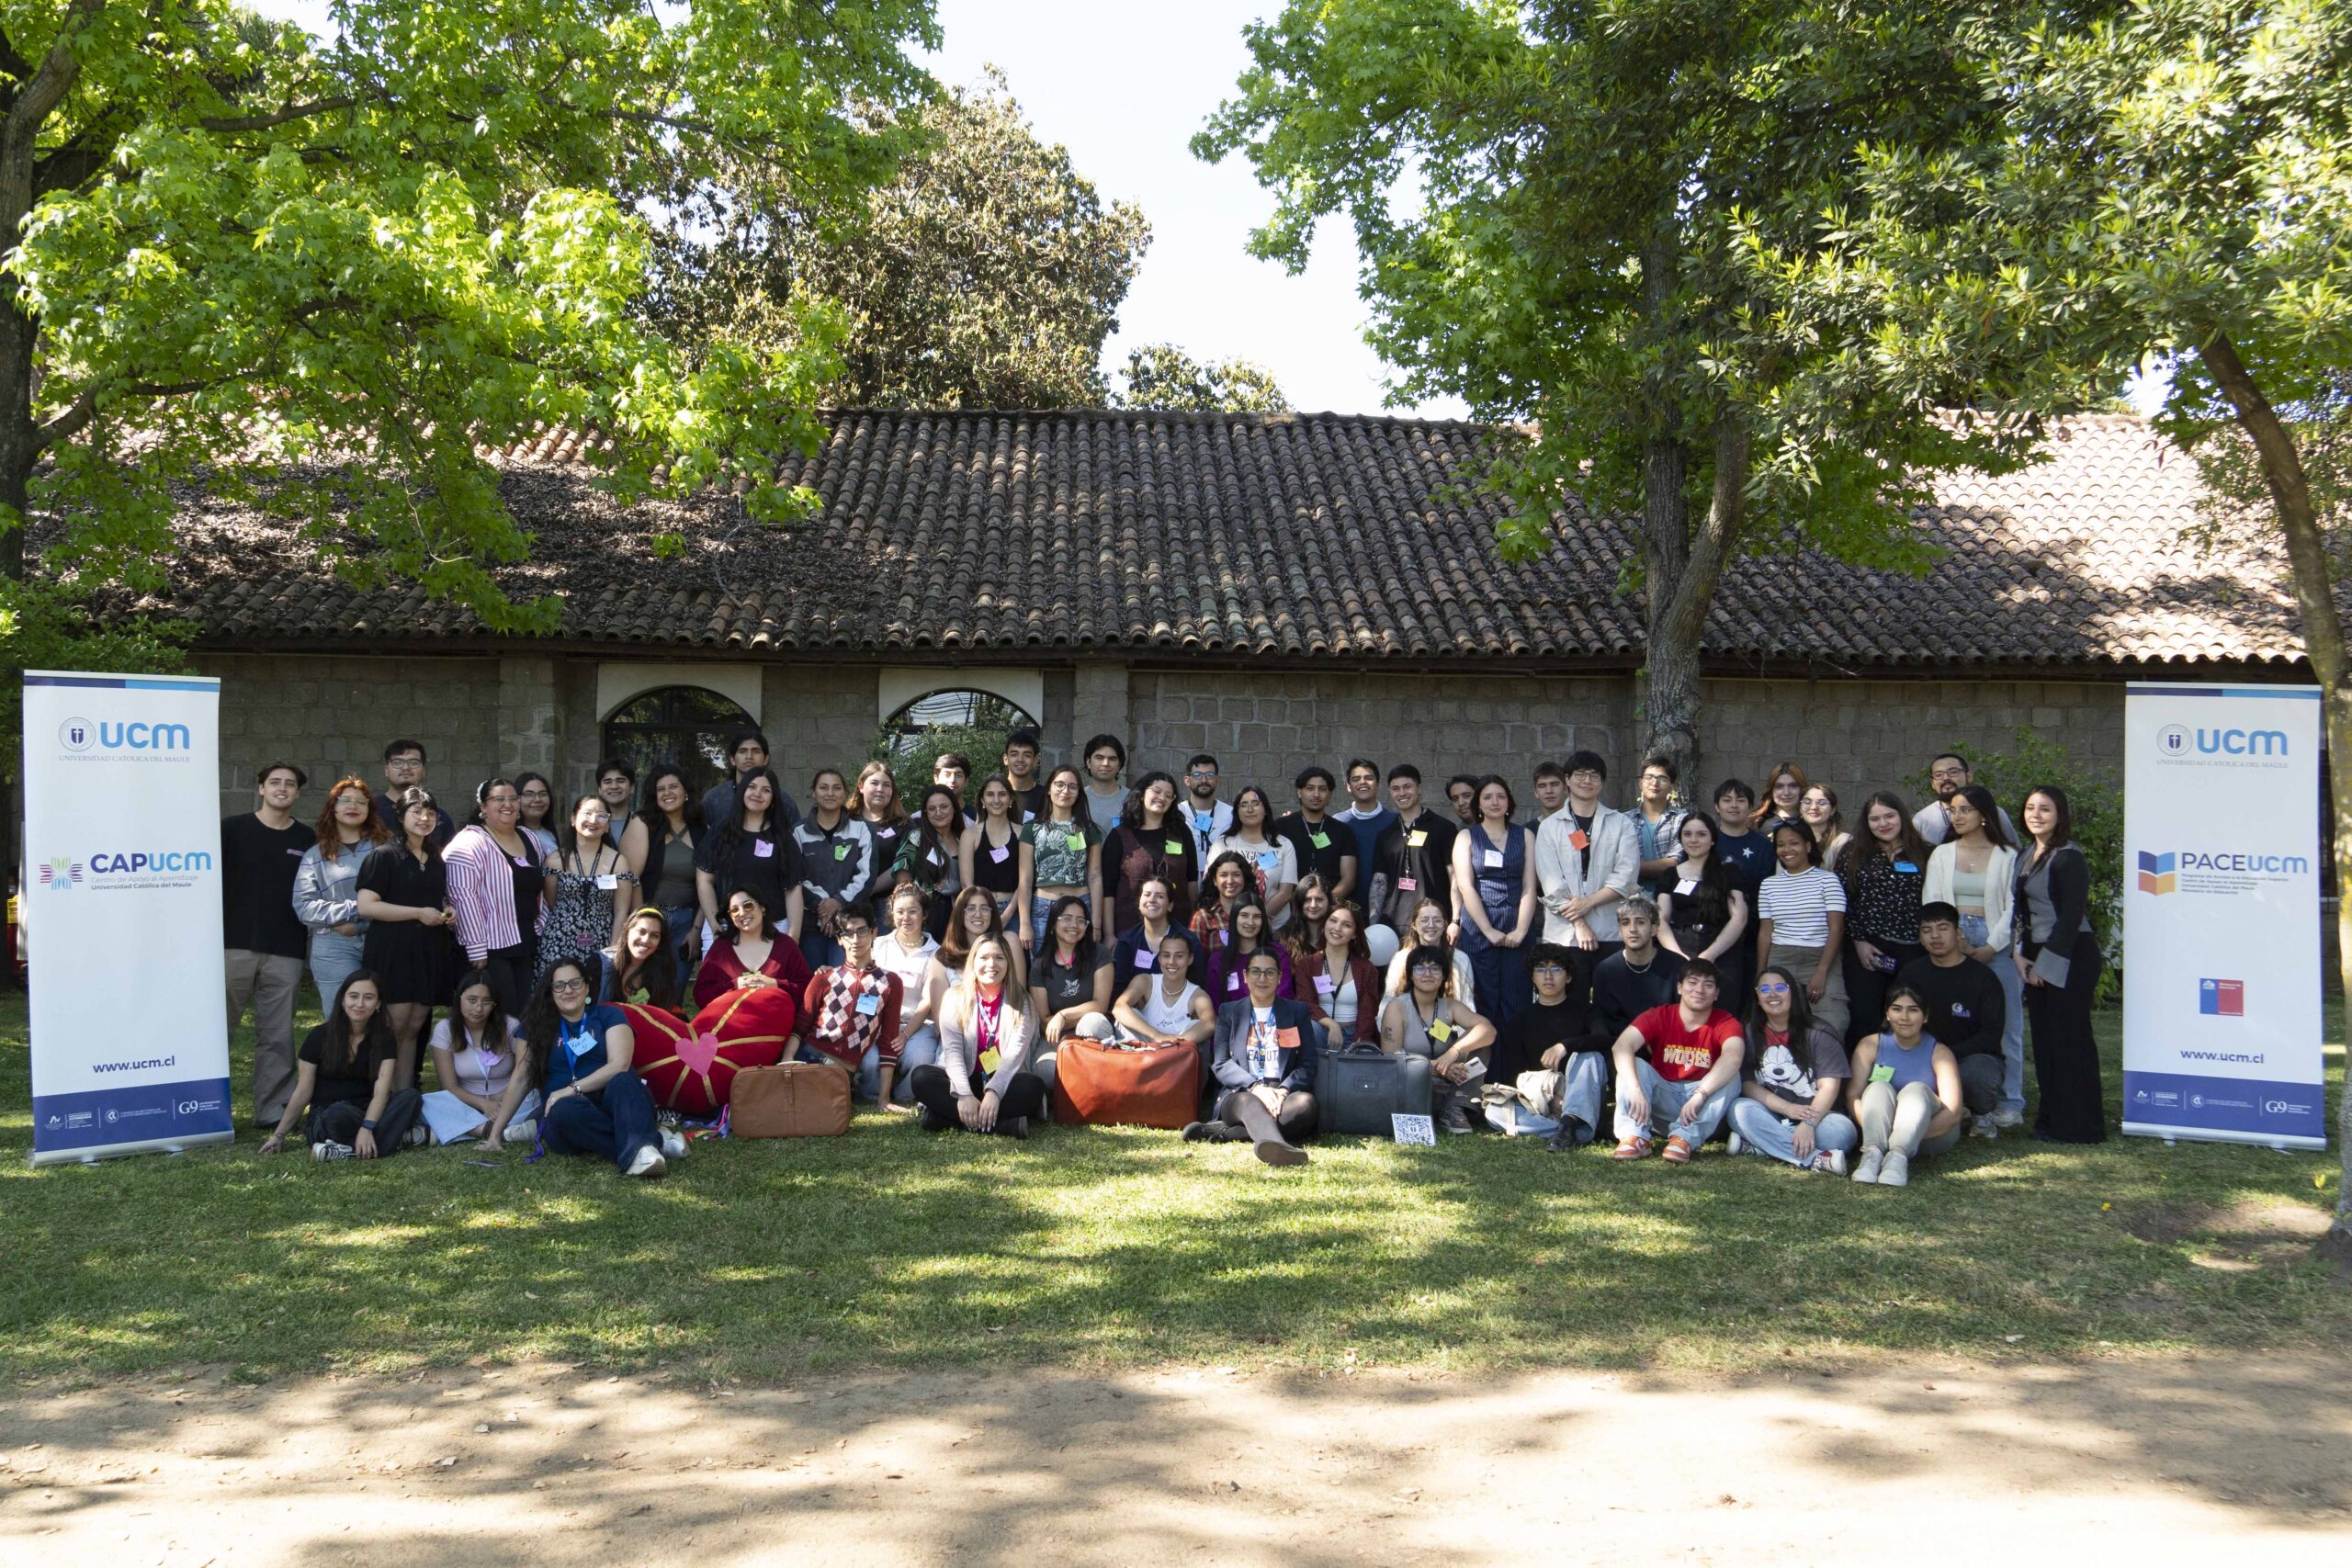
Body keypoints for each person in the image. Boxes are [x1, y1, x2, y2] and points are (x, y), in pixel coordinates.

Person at [1922, 783, 2025, 1127]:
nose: (1958, 815)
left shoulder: (2009, 856)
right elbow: (1933, 902)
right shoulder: (1942, 854)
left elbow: (2014, 908)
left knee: (2008, 1025)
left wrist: (1991, 947)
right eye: (1954, 810)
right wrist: (1955, 943)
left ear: (1985, 815)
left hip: (1996, 941)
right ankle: (1955, 1099)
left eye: (1965, 809)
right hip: (1950, 939)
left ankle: (2011, 1102)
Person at [526, 958, 686, 1178]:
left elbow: (619, 1064)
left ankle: (640, 1147)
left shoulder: (609, 1015)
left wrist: (572, 1088)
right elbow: (519, 1076)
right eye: (559, 985)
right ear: (551, 991)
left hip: (618, 1102)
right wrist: (496, 1133)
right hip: (573, 1115)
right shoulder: (538, 1025)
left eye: (575, 983)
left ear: (587, 986)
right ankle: (649, 1143)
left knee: (622, 1078)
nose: (568, 991)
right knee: (562, 1110)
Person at [224, 761, 314, 1129]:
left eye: (289, 784)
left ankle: (273, 1112)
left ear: (296, 793)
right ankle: (207, 1108)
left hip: (286, 949)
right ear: (260, 788)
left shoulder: (307, 840)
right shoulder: (231, 830)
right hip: (231, 946)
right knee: (217, 1030)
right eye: (274, 782)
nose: (281, 788)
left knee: (277, 1035)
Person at [2017, 784, 2105, 1144]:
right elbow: (2021, 911)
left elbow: (2070, 919)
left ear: (2060, 815)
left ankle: (2081, 1126)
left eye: (2045, 809)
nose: (2036, 814)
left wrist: (2044, 966)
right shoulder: (2027, 853)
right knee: (2046, 1043)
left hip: (2070, 955)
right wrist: (2020, 955)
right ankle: (2050, 1121)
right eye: (2030, 808)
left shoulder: (2070, 857)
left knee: (2070, 1040)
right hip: (2036, 953)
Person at [356, 787, 460, 1086]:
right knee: (393, 1027)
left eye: (430, 813)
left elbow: (433, 899)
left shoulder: (436, 860)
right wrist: (417, 913)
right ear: (401, 816)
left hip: (427, 949)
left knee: (414, 1027)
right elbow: (367, 906)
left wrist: (446, 910)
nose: (424, 818)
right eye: (417, 811)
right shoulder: (384, 855)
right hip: (393, 949)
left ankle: (404, 1099)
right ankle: (379, 1099)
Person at [259, 970, 422, 1160]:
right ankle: (392, 1140)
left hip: (367, 1112)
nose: (360, 1004)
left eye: (368, 998)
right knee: (338, 1114)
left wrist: (367, 1127)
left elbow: (382, 1091)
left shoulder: (385, 1038)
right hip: (329, 1115)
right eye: (353, 996)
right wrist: (279, 1135)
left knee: (411, 1097)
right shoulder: (319, 1036)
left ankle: (345, 1151)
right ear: (343, 1000)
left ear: (378, 1004)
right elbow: (303, 1091)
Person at [1191, 947, 1320, 1164]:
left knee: (1306, 1104)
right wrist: (1256, 1088)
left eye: (1270, 972)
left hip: (1282, 1093)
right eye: (1255, 972)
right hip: (1240, 1092)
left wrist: (1282, 1091)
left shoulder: (1297, 1012)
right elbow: (1221, 1063)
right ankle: (1278, 1147)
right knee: (1249, 1102)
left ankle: (1230, 1133)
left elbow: (1308, 1063)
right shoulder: (1228, 1011)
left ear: (1280, 977)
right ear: (1245, 976)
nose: (1262, 978)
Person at [910, 933, 1047, 1137]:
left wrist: (994, 1092)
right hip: (966, 1079)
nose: (991, 964)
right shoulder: (955, 997)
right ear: (973, 961)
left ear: (1008, 962)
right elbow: (954, 1052)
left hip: (1004, 1080)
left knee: (1033, 1087)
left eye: (999, 957)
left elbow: (1014, 1056)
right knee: (921, 1077)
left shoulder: (1022, 1001)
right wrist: (964, 1095)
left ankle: (941, 1119)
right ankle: (1004, 1125)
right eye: (984, 958)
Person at [1609, 960, 1746, 1163]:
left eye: (1708, 985)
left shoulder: (1725, 1022)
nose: (1699, 990)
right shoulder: (1659, 1015)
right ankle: (1635, 1136)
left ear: (1716, 993)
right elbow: (1621, 1046)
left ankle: (1684, 1139)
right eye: (1693, 982)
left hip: (1700, 1104)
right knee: (1634, 1065)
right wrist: (1636, 1089)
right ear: (1680, 987)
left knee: (1732, 1076)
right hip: (1662, 1098)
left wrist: (1701, 1094)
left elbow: (1733, 1057)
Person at [1726, 964, 1857, 1174]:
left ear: (1792, 993)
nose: (1773, 994)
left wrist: (1808, 1123)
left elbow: (1829, 1087)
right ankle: (1815, 1159)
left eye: (1780, 987)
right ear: (1758, 998)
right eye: (1765, 989)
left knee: (1840, 1133)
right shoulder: (1750, 1032)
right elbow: (1748, 1083)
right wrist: (1787, 1108)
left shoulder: (1819, 1031)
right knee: (1739, 1109)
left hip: (1822, 1117)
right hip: (1775, 1115)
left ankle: (1762, 1146)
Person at [1895, 901, 2007, 1134]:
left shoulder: (1983, 977)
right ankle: (1945, 1109)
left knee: (1978, 1075)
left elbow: (1991, 1034)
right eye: (1927, 931)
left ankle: (1980, 1112)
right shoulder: (1911, 973)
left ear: (1958, 933)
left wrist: (1947, 1056)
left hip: (1969, 1057)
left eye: (1943, 928)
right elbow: (1897, 1017)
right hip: (1920, 1054)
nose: (1935, 936)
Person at [444, 778, 550, 1020]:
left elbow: (538, 888)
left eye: (513, 798)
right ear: (483, 807)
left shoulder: (529, 837)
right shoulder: (468, 843)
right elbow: (463, 896)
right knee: (502, 1016)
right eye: (499, 799)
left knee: (525, 1014)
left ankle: (521, 1058)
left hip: (525, 942)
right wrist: (476, 948)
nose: (508, 804)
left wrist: (541, 924)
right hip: (490, 950)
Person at [1492, 942, 1611, 1150]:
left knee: (1591, 1056)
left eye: (1556, 969)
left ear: (1569, 977)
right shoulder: (1520, 1021)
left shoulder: (1587, 1011)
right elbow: (1512, 1074)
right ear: (1532, 977)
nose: (1548, 976)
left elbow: (1604, 1040)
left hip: (1580, 1092)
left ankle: (1571, 1121)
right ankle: (1574, 1129)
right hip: (1540, 1099)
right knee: (1493, 1111)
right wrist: (1551, 1100)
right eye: (1541, 969)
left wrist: (1565, 1046)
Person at [1848, 986, 1965, 1186]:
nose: (1904, 1017)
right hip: (1878, 1130)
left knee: (1916, 1090)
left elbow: (1954, 1112)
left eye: (1913, 1010)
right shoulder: (1869, 1045)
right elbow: (1853, 1096)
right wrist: (1879, 1135)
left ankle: (1898, 1156)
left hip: (1930, 1133)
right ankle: (1872, 1154)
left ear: (1925, 1016)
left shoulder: (1940, 1052)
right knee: (1878, 1087)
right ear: (1887, 1014)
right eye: (1897, 1009)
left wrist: (1903, 1138)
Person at [1841, 791, 1930, 1051]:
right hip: (1867, 949)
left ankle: (1904, 1078)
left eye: (1889, 816)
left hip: (1913, 950)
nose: (1883, 824)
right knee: (1865, 1017)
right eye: (1875, 819)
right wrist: (1858, 940)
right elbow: (1842, 899)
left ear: (1901, 816)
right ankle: (1858, 1082)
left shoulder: (1925, 852)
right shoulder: (1854, 852)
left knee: (1906, 1018)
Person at [789, 903, 906, 1098]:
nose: (855, 940)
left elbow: (888, 1041)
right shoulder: (824, 978)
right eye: (848, 934)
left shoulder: (890, 982)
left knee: (814, 1105)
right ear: (839, 939)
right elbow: (800, 1026)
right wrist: (787, 1059)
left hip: (840, 1071)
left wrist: (883, 1099)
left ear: (874, 933)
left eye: (861, 931)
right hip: (808, 1055)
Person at [1534, 750, 1640, 964]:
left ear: (1601, 783)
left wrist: (1588, 903)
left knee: (1611, 996)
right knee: (1569, 997)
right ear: (1567, 780)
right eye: (1580, 774)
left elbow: (1626, 876)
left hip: (1611, 930)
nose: (1587, 781)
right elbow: (1552, 884)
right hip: (1563, 936)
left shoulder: (1621, 824)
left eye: (1594, 776)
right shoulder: (1548, 827)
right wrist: (1580, 923)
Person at [1380, 943, 1498, 1134]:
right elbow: (1392, 1059)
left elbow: (1488, 1030)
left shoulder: (1448, 1005)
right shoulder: (1398, 1007)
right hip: (1417, 1080)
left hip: (1451, 1079)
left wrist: (1453, 1052)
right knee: (1418, 1081)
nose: (1428, 973)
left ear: (1444, 975)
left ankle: (1455, 1107)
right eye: (1420, 968)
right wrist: (1439, 1067)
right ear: (1410, 974)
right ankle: (1454, 1107)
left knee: (1480, 1046)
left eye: (1435, 968)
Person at [292, 775, 385, 1014]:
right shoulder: (315, 855)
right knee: (341, 1019)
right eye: (345, 801)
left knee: (387, 1018)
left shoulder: (385, 849)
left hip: (382, 939)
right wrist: (357, 908)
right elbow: (304, 907)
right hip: (334, 944)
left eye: (361, 802)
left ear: (369, 809)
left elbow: (402, 896)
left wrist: (361, 925)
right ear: (333, 808)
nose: (353, 806)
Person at [1451, 774, 1538, 1025]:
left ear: (1509, 802)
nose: (1495, 802)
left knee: (1517, 997)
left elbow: (1529, 886)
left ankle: (1513, 1063)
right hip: (1478, 924)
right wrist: (1488, 930)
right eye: (1487, 797)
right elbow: (1466, 886)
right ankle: (1485, 1063)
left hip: (1517, 921)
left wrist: (1521, 930)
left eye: (1501, 796)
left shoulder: (1525, 835)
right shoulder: (1466, 837)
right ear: (1478, 803)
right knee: (1483, 998)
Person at [1754, 817, 1851, 1040]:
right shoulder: (1769, 885)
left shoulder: (1828, 880)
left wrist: (1822, 971)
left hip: (1821, 956)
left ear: (1808, 845)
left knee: (1833, 1022)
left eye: (1794, 843)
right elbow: (1766, 931)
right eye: (1781, 845)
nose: (1787, 849)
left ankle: (1828, 1073)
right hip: (1781, 957)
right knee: (1780, 1021)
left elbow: (1836, 929)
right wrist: (1761, 972)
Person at [422, 967, 537, 1146]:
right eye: (472, 1000)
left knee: (535, 1094)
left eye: (487, 1002)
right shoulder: (445, 1029)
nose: (478, 1008)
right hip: (467, 1103)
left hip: (509, 1100)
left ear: (495, 1004)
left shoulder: (510, 1025)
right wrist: (484, 1104)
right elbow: (449, 1087)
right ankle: (493, 1131)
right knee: (427, 1102)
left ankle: (459, 1130)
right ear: (459, 999)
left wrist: (501, 1099)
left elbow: (525, 1073)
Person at [695, 766, 804, 950]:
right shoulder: (720, 831)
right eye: (752, 787)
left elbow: (793, 889)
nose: (757, 794)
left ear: (773, 799)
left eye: (766, 790)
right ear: (742, 791)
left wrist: (793, 937)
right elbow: (704, 880)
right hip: (725, 926)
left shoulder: (782, 837)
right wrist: (715, 927)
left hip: (774, 927)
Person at [1082, 928, 1217, 1077]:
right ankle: (1114, 1079)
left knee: (1196, 1027)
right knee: (1120, 1016)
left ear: (1190, 959)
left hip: (1175, 1064)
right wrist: (1156, 1036)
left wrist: (1172, 1044)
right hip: (1141, 1056)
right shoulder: (1145, 981)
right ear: (1159, 959)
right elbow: (1119, 1008)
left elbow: (1209, 1024)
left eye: (1179, 956)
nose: (1172, 962)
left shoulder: (1198, 995)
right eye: (1166, 956)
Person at [537, 793, 637, 983]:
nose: (593, 820)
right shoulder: (555, 860)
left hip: (601, 940)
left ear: (607, 824)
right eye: (587, 813)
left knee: (596, 995)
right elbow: (551, 902)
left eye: (601, 816)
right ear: (574, 819)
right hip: (559, 940)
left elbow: (622, 910)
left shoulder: (618, 862)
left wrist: (614, 949)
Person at [1657, 811, 1751, 1002]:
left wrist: (1710, 955)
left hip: (1722, 952)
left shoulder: (1729, 872)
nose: (1694, 840)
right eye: (1687, 834)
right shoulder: (1670, 875)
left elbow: (1739, 918)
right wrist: (1679, 957)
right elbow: (1661, 920)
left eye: (1701, 834)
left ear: (1713, 839)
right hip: (1680, 950)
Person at [1029, 894, 1114, 1101]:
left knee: (1091, 1021)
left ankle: (1097, 1089)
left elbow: (1100, 1004)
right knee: (1045, 1073)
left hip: (1093, 1032)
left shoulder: (1099, 953)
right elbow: (1043, 1021)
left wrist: (1063, 1016)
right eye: (1066, 918)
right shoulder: (1040, 964)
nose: (1074, 925)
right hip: (1058, 1037)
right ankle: (1080, 1090)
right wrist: (1060, 1026)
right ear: (1053, 923)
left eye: (1080, 920)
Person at [619, 764, 706, 969]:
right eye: (660, 789)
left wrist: (696, 929)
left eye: (673, 786)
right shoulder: (642, 823)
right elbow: (631, 880)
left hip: (686, 921)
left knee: (676, 987)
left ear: (686, 792)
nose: (667, 793)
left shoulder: (702, 830)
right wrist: (643, 920)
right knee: (645, 985)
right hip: (649, 918)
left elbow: (708, 885)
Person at [869, 883, 945, 1108]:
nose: (906, 918)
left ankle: (904, 1094)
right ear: (892, 913)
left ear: (925, 914)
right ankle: (874, 1093)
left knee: (920, 1059)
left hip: (917, 1025)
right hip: (879, 1024)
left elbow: (927, 1000)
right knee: (869, 1061)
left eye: (913, 911)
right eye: (900, 912)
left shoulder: (936, 952)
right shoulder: (879, 944)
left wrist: (904, 1035)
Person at [796, 767, 878, 969]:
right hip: (810, 925)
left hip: (851, 927)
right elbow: (795, 877)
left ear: (845, 793)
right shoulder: (797, 832)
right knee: (812, 985)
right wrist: (823, 905)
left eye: (836, 788)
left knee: (845, 984)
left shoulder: (862, 829)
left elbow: (866, 876)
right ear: (814, 792)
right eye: (823, 788)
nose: (830, 793)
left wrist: (839, 903)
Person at [1368, 764, 1457, 944]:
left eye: (1407, 787)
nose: (1402, 793)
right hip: (1392, 924)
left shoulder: (1444, 828)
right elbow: (1379, 881)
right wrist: (1374, 924)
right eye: (1395, 788)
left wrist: (1455, 920)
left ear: (1419, 788)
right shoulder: (1385, 834)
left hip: (1432, 923)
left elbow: (1454, 878)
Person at [693, 885, 815, 1014]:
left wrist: (776, 985)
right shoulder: (721, 949)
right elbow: (701, 995)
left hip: (777, 1028)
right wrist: (734, 985)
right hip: (731, 1029)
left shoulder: (786, 945)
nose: (742, 913)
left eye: (748, 906)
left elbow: (807, 990)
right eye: (734, 910)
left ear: (762, 907)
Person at [1102, 771, 1199, 934]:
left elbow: (1191, 879)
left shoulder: (1181, 832)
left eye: (1169, 795)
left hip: (1177, 929)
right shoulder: (1119, 835)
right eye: (1157, 791)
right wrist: (1109, 934)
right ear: (1141, 794)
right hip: (1128, 929)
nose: (1162, 798)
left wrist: (1193, 923)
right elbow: (1108, 890)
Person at [1023, 766, 1103, 948]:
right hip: (1043, 907)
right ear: (1049, 789)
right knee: (1041, 966)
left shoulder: (1088, 830)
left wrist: (1096, 925)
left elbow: (1095, 876)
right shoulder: (1032, 828)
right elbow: (1025, 879)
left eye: (1072, 787)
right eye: (1059, 785)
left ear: (1078, 793)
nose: (1065, 791)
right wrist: (1025, 923)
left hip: (1081, 905)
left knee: (1081, 966)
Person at [1590, 897, 1685, 1045]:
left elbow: (1684, 1013)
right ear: (1620, 931)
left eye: (1640, 922)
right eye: (1625, 923)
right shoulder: (1605, 970)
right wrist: (1639, 1038)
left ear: (1654, 929)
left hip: (1670, 1043)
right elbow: (1607, 1019)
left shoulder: (1677, 966)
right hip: (1624, 1045)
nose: (1632, 929)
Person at [1297, 900, 1381, 1051]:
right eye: (1333, 921)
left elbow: (1368, 1012)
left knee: (1363, 1052)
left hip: (1354, 1034)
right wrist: (1331, 1024)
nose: (1337, 928)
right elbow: (1305, 1003)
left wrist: (1357, 1041)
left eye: (1346, 925)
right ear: (1324, 925)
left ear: (1355, 934)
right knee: (1311, 1028)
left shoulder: (1367, 969)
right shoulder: (1307, 964)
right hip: (1320, 1032)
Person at [958, 773, 1033, 937]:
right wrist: (981, 910)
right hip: (978, 911)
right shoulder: (970, 835)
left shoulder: (1023, 833)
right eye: (990, 794)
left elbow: (1025, 881)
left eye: (1002, 794)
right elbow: (966, 883)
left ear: (1011, 799)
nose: (996, 800)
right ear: (982, 800)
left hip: (1013, 910)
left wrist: (1007, 915)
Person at [932, 884, 1029, 1009]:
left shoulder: (1009, 942)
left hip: (1005, 1024)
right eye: (971, 908)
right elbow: (939, 1014)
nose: (978, 914)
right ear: (959, 914)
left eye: (984, 909)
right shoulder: (943, 956)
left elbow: (1019, 997)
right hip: (958, 1026)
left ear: (992, 913)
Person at [1273, 765, 1358, 909]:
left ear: (1330, 794)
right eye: (1310, 788)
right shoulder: (1281, 826)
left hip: (1329, 908)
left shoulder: (1343, 831)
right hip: (1288, 908)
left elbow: (1348, 879)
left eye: (1323, 789)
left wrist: (1323, 903)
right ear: (1299, 792)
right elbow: (1271, 870)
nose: (1316, 794)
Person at [1213, 785, 1298, 928]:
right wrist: (1239, 923)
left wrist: (1258, 920)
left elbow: (1286, 893)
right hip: (1230, 926)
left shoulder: (1283, 844)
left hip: (1275, 929)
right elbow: (1213, 884)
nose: (1250, 809)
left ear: (1265, 809)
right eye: (1244, 805)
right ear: (1237, 811)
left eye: (1256, 804)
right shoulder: (1223, 843)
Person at [1109, 874, 1201, 993]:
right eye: (1147, 895)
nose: (1152, 900)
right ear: (1139, 902)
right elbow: (1118, 988)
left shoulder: (1189, 941)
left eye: (1160, 896)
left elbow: (1197, 984)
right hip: (1134, 1008)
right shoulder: (1127, 941)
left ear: (1170, 906)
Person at [896, 784, 967, 941]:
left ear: (954, 808)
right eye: (932, 809)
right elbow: (902, 873)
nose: (938, 812)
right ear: (925, 813)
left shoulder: (964, 838)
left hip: (959, 912)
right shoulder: (916, 837)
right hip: (927, 914)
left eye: (944, 807)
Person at [1335, 758, 1399, 929]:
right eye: (1356, 779)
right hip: (1347, 912)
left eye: (1369, 778)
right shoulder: (1338, 823)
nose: (1363, 782)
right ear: (1348, 786)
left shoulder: (1395, 822)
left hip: (1389, 912)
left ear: (1378, 784)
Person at [1381, 897, 1476, 1010]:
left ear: (1445, 924)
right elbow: (1387, 1003)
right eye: (1424, 920)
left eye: (1437, 920)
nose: (1431, 925)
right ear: (1414, 925)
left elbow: (1467, 1004)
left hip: (1448, 1023)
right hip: (1408, 1023)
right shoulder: (1400, 959)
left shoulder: (1460, 959)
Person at [702, 729, 801, 835]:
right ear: (732, 760)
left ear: (766, 759)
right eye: (742, 751)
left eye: (756, 751)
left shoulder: (783, 800)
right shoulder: (714, 799)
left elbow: (795, 840)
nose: (749, 756)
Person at [1204, 896, 1295, 1007]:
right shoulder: (1218, 960)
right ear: (1234, 919)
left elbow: (1284, 996)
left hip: (1273, 1020)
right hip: (1231, 1022)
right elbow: (1215, 1005)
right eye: (1244, 916)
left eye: (1257, 917)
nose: (1250, 922)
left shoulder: (1278, 954)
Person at [1913, 751, 2018, 845]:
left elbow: (2014, 852)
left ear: (1969, 776)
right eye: (1938, 775)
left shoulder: (1994, 813)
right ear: (1933, 783)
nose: (1946, 778)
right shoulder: (1921, 820)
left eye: (1953, 772)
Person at [599, 907, 684, 1010]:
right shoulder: (601, 964)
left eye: (654, 936)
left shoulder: (663, 970)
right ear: (627, 931)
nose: (646, 940)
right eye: (641, 932)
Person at [1710, 779, 1776, 909]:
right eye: (1727, 800)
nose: (1734, 805)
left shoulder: (1763, 846)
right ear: (1717, 806)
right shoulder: (1707, 841)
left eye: (1741, 800)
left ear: (1750, 806)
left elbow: (1765, 893)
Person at [374, 739, 455, 846]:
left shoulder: (439, 817)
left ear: (423, 771)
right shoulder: (370, 810)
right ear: (386, 770)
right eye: (397, 762)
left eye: (414, 763)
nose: (406, 768)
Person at [851, 761, 911, 894]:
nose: (880, 789)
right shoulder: (845, 820)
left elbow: (901, 865)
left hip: (886, 900)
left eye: (886, 785)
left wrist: (864, 892)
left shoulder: (904, 824)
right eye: (874, 783)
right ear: (861, 786)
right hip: (844, 899)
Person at [1632, 755, 1689, 895]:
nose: (1654, 783)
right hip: (1631, 900)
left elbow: (1673, 864)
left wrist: (1627, 867)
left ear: (1672, 786)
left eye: (1662, 778)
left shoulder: (1683, 820)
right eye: (1649, 777)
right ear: (1640, 783)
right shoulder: (1624, 820)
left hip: (1671, 898)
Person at [1191, 851, 1257, 957]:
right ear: (1215, 881)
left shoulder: (1256, 912)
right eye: (1223, 875)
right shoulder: (1203, 917)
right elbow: (1196, 961)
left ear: (1245, 878)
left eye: (1236, 875)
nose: (1230, 881)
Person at [1179, 752, 1234, 869]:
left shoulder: (1231, 814)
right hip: (1186, 882)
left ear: (1217, 779)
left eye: (1209, 775)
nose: (1204, 780)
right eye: (1197, 775)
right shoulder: (1177, 813)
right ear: (1187, 780)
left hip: (1221, 883)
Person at [1280, 874, 1334, 965]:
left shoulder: (1337, 934)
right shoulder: (1283, 938)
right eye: (1307, 900)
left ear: (1329, 901)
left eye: (1319, 899)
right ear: (1299, 902)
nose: (1313, 905)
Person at [1082, 733, 1129, 833]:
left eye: (1112, 759)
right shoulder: (1077, 798)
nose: (1105, 764)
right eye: (1099, 758)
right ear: (1088, 762)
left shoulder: (1132, 799)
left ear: (1119, 765)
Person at [1800, 784, 1851, 872]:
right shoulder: (1791, 841)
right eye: (1807, 802)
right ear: (1800, 808)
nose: (1814, 807)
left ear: (1833, 809)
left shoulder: (1844, 842)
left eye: (1822, 803)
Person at [1001, 727, 1048, 820]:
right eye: (1014, 754)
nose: (1020, 760)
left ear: (1035, 760)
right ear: (1005, 759)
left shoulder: (1047, 796)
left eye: (1027, 755)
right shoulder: (994, 794)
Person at [593, 760, 637, 852]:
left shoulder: (641, 824)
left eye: (620, 781)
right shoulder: (591, 823)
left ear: (632, 788)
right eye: (607, 782)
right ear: (599, 790)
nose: (614, 786)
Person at [513, 773, 559, 859]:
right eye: (529, 794)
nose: (538, 799)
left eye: (543, 794)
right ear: (517, 798)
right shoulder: (511, 836)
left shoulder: (550, 834)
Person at [1763, 761, 1808, 827]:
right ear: (1771, 790)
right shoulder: (1756, 824)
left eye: (1793, 785)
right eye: (1779, 786)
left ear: (1802, 788)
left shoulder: (1814, 822)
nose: (1786, 793)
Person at [1528, 759, 1568, 826]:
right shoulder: (1526, 832)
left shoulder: (1577, 826)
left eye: (1555, 784)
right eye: (1542, 786)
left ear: (1566, 788)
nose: (1549, 791)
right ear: (1536, 792)